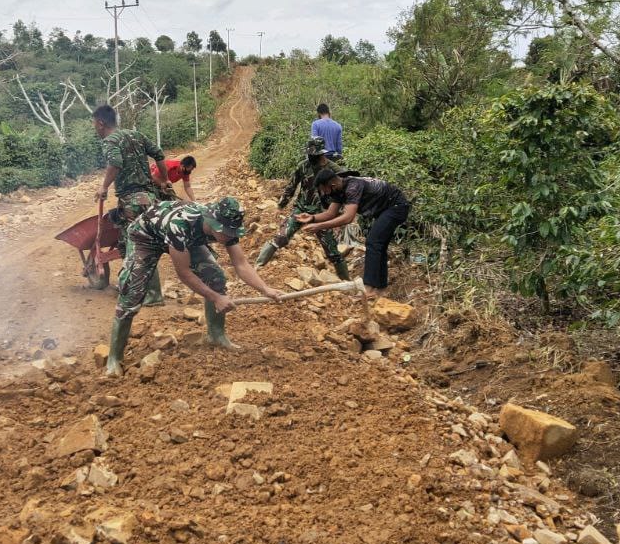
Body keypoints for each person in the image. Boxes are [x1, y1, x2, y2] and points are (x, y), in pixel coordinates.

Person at [105, 197, 282, 375]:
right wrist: (216, 298)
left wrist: (266, 289)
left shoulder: (227, 228)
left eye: (232, 231)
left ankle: (216, 335)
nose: (229, 236)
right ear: (211, 222)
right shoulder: (180, 224)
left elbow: (241, 264)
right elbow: (184, 273)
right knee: (132, 292)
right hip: (145, 237)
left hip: (186, 240)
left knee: (215, 277)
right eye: (225, 231)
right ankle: (114, 358)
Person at [93, 104, 170, 306]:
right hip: (151, 198)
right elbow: (159, 153)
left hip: (132, 201)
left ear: (100, 123)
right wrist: (165, 179)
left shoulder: (110, 140)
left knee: (136, 246)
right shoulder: (135, 134)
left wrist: (103, 187)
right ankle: (145, 290)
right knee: (146, 244)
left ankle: (145, 293)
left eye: (95, 124)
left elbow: (115, 163)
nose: (95, 129)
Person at [299, 171, 409, 293]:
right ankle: (380, 288)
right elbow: (330, 213)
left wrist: (319, 226)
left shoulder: (353, 187)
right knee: (379, 246)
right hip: (385, 210)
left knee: (373, 242)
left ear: (331, 184)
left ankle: (368, 287)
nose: (324, 193)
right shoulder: (337, 189)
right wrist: (312, 218)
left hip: (396, 206)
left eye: (324, 189)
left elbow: (348, 217)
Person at [255, 136, 348, 280]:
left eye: (314, 154)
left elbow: (343, 190)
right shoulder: (303, 166)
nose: (311, 157)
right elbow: (291, 187)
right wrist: (281, 205)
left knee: (333, 252)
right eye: (309, 154)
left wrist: (340, 215)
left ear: (321, 154)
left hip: (322, 214)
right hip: (301, 209)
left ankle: (347, 283)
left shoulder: (333, 169)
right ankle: (257, 268)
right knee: (280, 237)